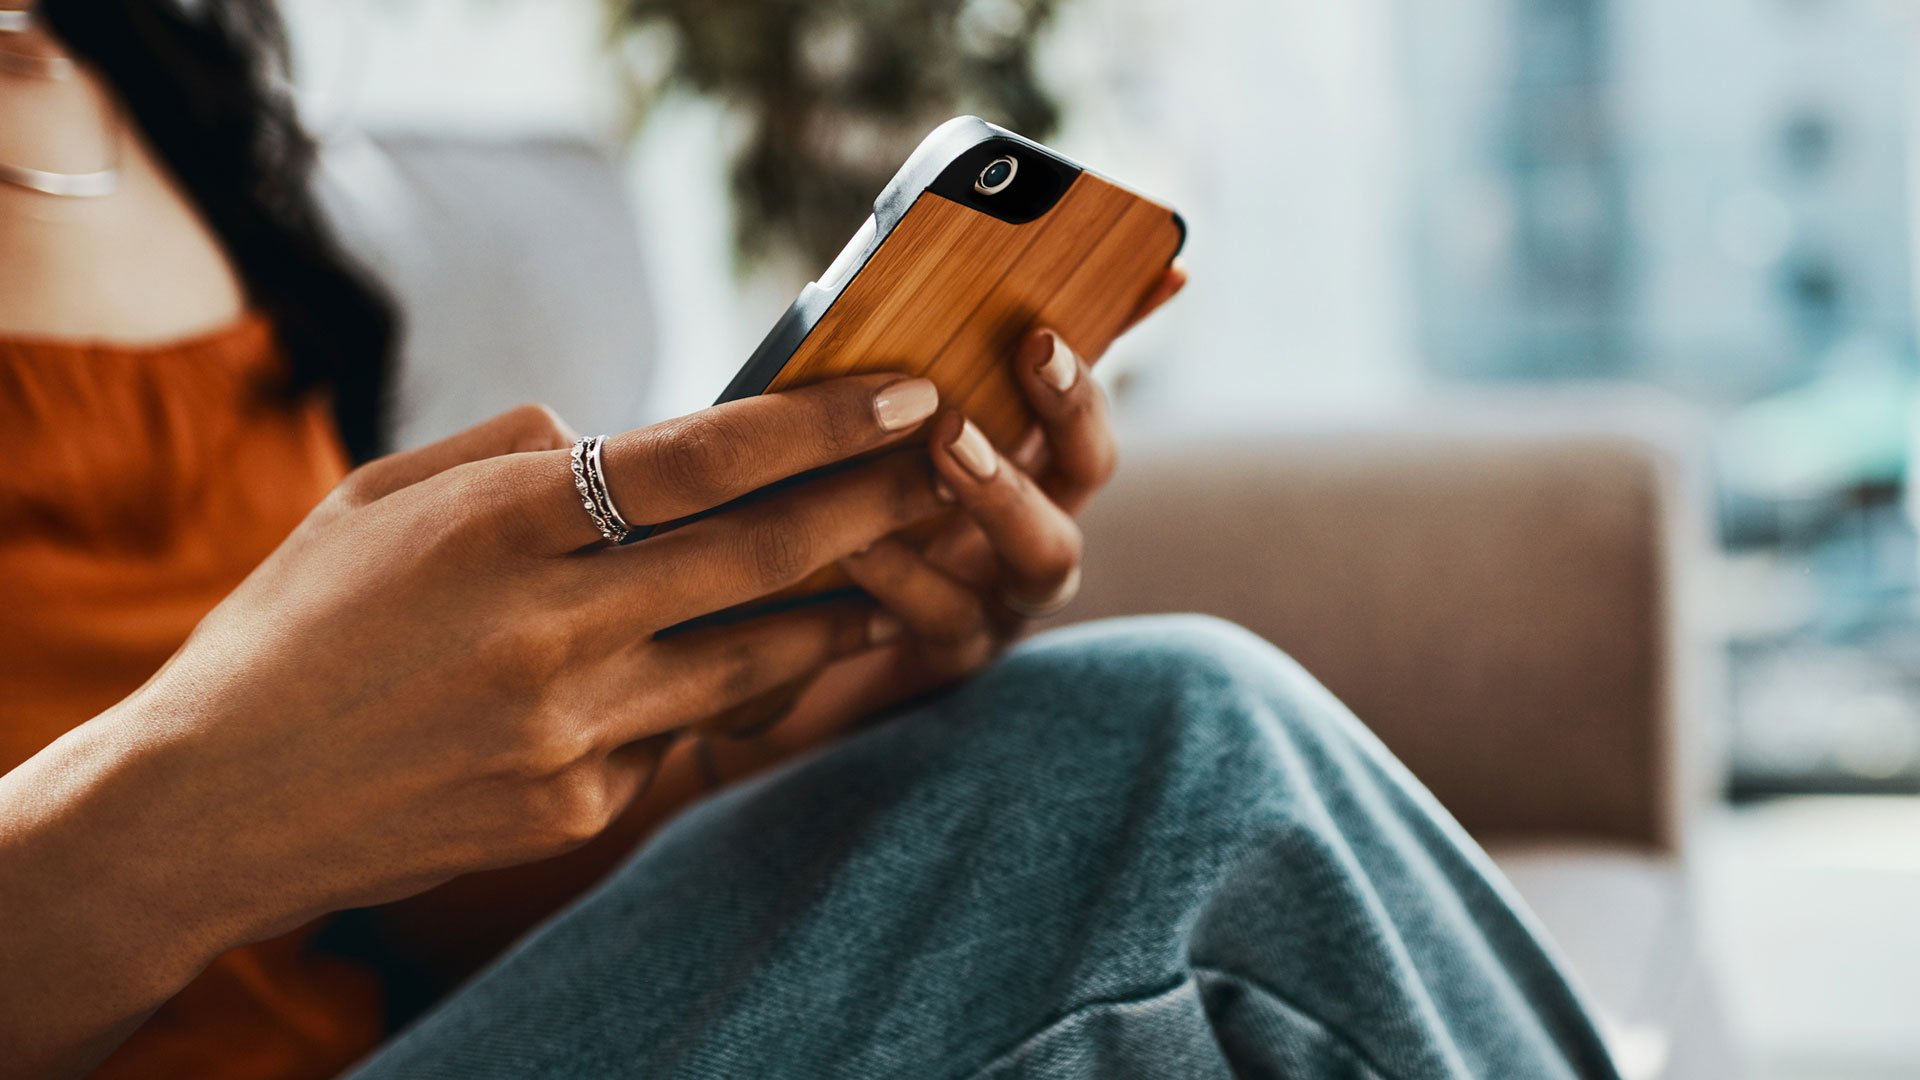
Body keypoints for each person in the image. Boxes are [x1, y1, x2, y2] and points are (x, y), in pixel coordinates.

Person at [0, 3, 1623, 1078]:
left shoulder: (135, 68)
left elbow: (342, 917)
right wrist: (187, 812)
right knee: (1183, 765)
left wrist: (764, 704)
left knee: (1094, 777)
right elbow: (222, 825)